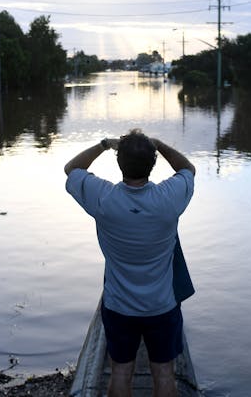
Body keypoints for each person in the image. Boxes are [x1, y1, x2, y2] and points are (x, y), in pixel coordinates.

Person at [65, 129, 196, 397]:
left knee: (121, 373)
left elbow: (72, 169)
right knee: (164, 374)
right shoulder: (168, 199)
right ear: (153, 162)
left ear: (119, 162)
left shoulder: (103, 198)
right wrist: (159, 144)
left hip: (119, 306)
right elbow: (188, 169)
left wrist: (103, 145)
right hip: (162, 306)